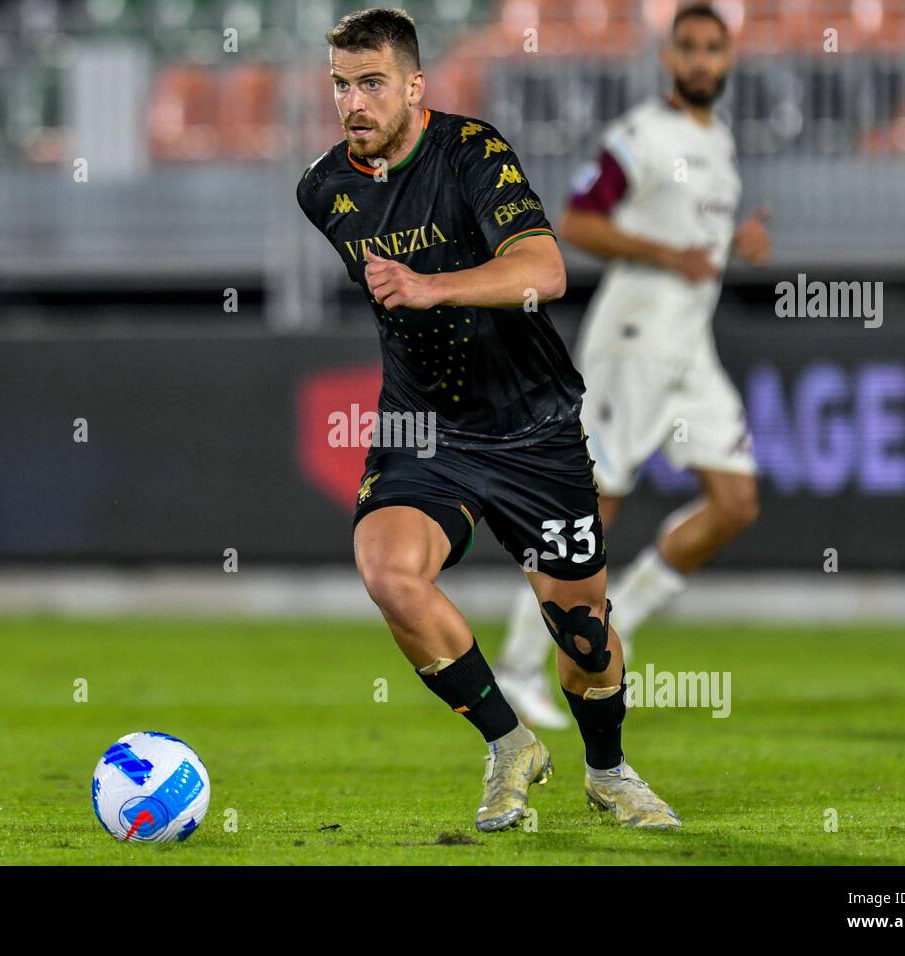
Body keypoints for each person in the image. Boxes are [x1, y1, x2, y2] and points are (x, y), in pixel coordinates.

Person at [297, 7, 680, 830]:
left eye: (371, 84)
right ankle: (509, 742)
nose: (353, 102)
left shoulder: (474, 152)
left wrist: (433, 285)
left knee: (584, 637)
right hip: (427, 429)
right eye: (340, 86)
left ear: (414, 85)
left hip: (534, 426)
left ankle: (609, 770)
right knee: (388, 569)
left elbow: (545, 269)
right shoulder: (323, 191)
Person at [495, 4, 770, 726]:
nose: (703, 61)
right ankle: (521, 665)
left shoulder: (722, 141)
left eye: (715, 48)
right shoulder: (640, 137)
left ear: (728, 58)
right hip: (635, 337)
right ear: (669, 58)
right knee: (593, 508)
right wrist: (666, 254)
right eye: (690, 49)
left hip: (689, 344)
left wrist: (732, 242)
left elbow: (690, 236)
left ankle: (624, 624)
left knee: (735, 501)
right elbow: (580, 219)